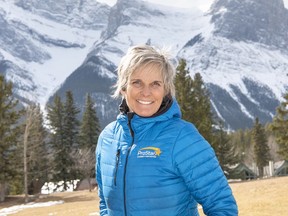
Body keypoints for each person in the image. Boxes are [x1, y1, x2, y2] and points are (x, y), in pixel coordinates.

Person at [95, 44, 238, 216]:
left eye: (155, 84)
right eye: (137, 82)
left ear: (166, 90)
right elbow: (105, 204)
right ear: (124, 87)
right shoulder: (108, 138)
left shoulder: (183, 137)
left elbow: (222, 206)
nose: (146, 92)